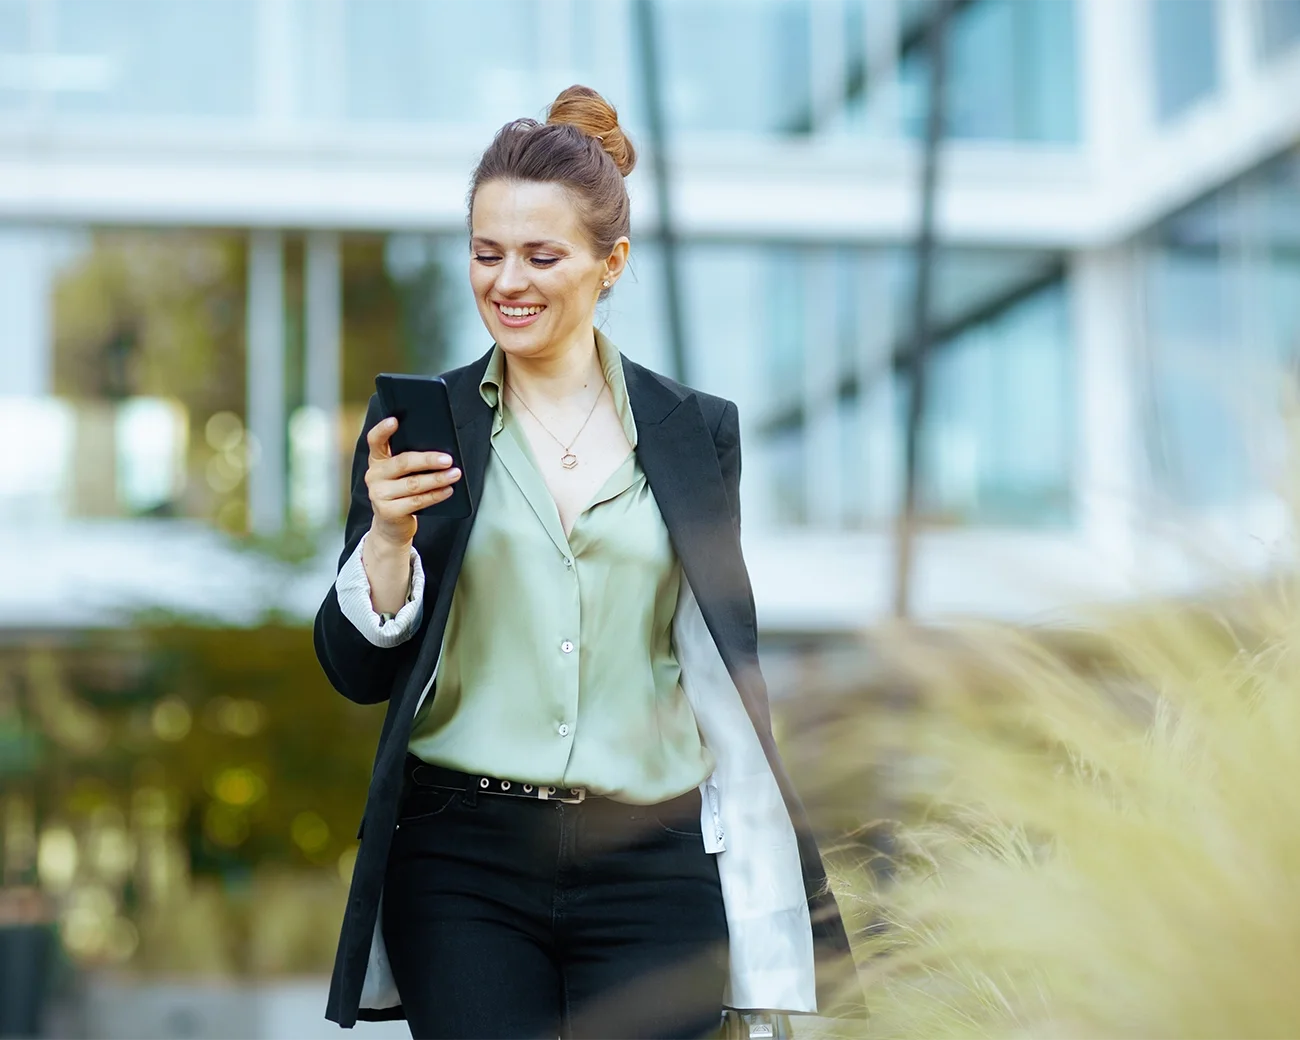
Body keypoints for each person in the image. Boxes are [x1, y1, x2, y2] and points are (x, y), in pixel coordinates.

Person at [314, 85, 855, 1040]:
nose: (506, 282)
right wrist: (386, 542)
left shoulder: (696, 434)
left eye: (540, 256)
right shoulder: (426, 422)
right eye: (485, 254)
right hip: (461, 861)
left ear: (611, 264)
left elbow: (717, 657)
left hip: (651, 860)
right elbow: (356, 673)